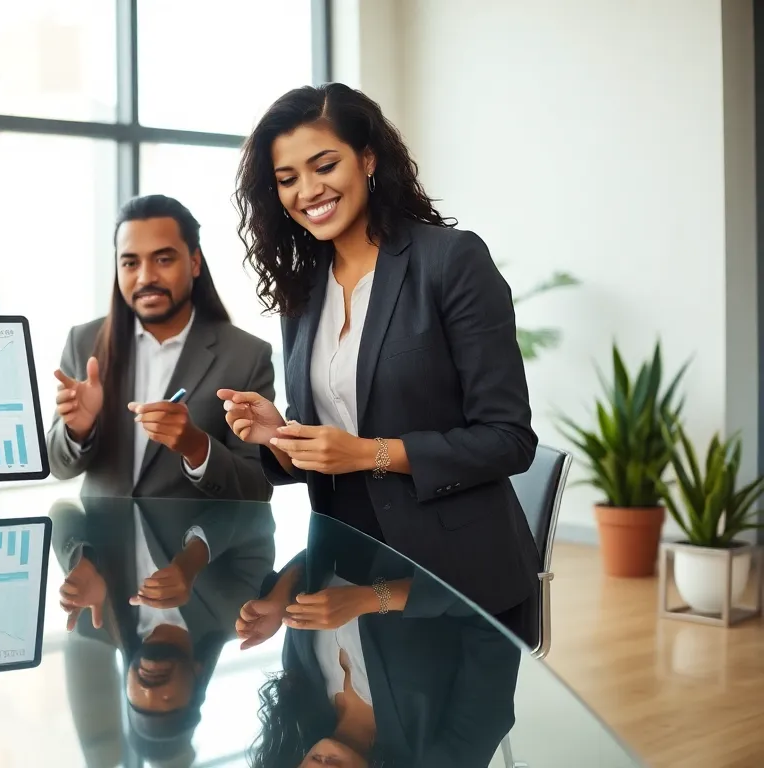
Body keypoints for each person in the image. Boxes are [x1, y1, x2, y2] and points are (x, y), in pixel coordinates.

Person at [218, 83, 540, 640]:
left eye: (324, 165)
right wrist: (281, 437)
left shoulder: (450, 262)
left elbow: (509, 438)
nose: (308, 190)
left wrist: (370, 454)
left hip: (451, 583)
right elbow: (329, 443)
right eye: (287, 178)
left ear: (367, 158)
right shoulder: (304, 291)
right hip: (341, 568)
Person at [238, 516, 521, 767]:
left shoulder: (301, 691)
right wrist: (375, 598)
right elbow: (498, 611)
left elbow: (324, 556)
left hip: (350, 487)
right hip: (448, 505)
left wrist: (281, 593)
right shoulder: (448, 755)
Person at [46, 194, 275, 501]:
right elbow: (58, 467)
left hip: (197, 545)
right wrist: (77, 431)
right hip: (101, 545)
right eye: (130, 263)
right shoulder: (84, 342)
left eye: (163, 259)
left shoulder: (247, 356)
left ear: (194, 263)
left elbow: (258, 490)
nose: (146, 277)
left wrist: (196, 447)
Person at [51, 497, 277, 766]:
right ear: (199, 673)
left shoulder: (101, 619)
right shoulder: (238, 613)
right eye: (168, 702)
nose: (150, 691)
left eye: (139, 703)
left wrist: (81, 560)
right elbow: (258, 516)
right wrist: (190, 562)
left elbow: (61, 511)